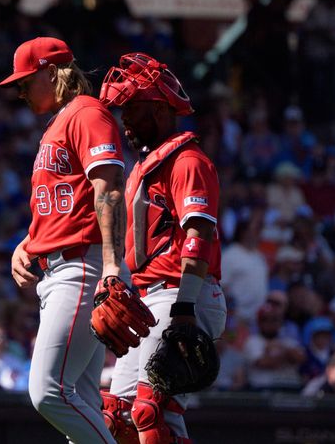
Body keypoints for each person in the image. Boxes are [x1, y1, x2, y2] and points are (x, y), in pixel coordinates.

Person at [2, 36, 126, 443]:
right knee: (82, 402)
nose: (20, 91)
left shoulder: (88, 113)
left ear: (52, 73)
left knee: (49, 393)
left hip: (83, 266)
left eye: (25, 81)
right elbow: (64, 202)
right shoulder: (60, 121)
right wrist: (30, 239)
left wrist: (110, 265)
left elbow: (107, 190)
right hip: (63, 264)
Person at [98, 53, 227, 443]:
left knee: (149, 412)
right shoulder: (143, 164)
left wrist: (185, 307)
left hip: (183, 295)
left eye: (130, 108)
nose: (123, 119)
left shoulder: (187, 160)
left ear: (156, 108)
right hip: (149, 297)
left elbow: (199, 234)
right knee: (115, 417)